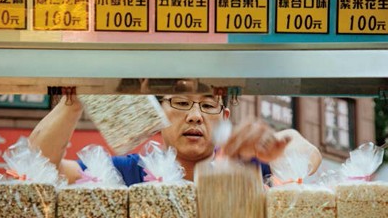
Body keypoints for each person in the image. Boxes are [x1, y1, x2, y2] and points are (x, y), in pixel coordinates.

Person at [29, 81, 322, 186]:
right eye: (181, 103)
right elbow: (42, 166)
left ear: (224, 118)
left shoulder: (251, 167)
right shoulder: (128, 173)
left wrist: (275, 148)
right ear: (159, 116)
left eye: (208, 105)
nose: (195, 115)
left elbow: (308, 152)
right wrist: (76, 99)